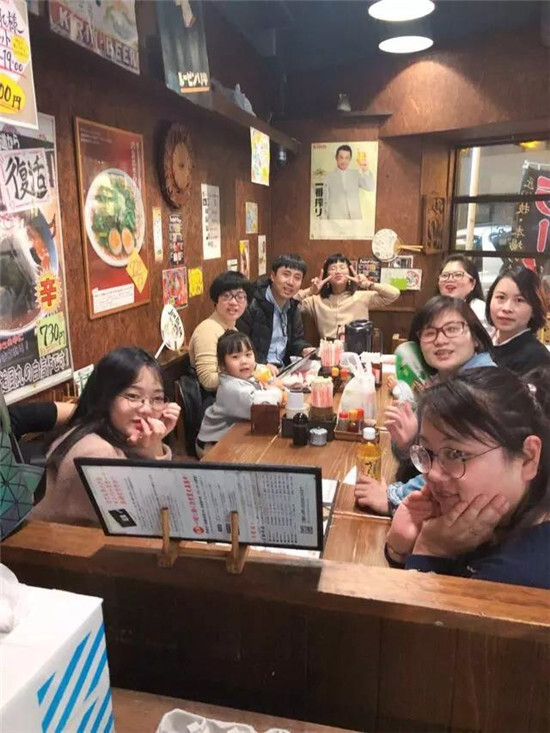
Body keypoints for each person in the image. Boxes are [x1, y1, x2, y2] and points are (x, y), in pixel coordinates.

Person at [384, 367, 550, 590]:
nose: (433, 474)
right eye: (428, 452)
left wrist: (430, 551)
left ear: (528, 458)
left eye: (455, 454)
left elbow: (412, 612)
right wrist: (400, 549)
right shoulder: (487, 521)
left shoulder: (515, 578)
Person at [355, 296, 495, 515]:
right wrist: (410, 442)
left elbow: (455, 472)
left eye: (452, 329)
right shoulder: (442, 381)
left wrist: (393, 498)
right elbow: (429, 456)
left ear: (476, 337)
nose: (440, 340)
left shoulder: (481, 389)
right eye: (430, 333)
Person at [32, 347, 180, 526]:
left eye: (157, 398)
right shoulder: (99, 453)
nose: (147, 409)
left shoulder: (109, 435)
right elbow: (149, 517)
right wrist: (149, 449)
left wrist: (154, 443)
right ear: (106, 397)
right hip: (55, 542)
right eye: (133, 396)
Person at [196, 331, 282, 457]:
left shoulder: (244, 377)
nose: (244, 361)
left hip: (233, 435)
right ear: (222, 366)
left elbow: (263, 385)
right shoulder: (231, 388)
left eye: (248, 354)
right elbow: (263, 405)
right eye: (235, 357)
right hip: (212, 444)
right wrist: (276, 390)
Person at [237, 254, 314, 377]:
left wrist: (304, 349)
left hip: (283, 371)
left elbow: (296, 340)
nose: (290, 282)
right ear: (273, 276)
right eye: (286, 274)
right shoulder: (251, 305)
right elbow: (240, 344)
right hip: (255, 372)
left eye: (297, 278)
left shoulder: (293, 307)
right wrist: (262, 364)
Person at [295, 253, 400, 339]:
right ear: (326, 275)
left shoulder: (362, 297)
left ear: (349, 273)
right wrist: (311, 291)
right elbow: (290, 302)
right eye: (333, 268)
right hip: (329, 353)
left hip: (357, 352)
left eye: (342, 267)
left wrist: (369, 284)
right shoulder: (315, 301)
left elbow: (394, 294)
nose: (338, 272)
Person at [189, 271, 252, 392]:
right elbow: (208, 381)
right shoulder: (207, 330)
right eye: (226, 296)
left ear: (247, 302)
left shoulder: (232, 329)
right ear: (215, 300)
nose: (233, 302)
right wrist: (249, 372)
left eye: (240, 297)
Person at [487, 266, 550, 376]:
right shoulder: (485, 345)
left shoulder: (537, 359)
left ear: (534, 308)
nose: (507, 308)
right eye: (501, 297)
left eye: (519, 300)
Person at [437, 254, 488, 329]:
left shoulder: (480, 310)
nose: (450, 279)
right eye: (445, 275)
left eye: (458, 275)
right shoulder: (433, 310)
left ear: (472, 284)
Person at [323, 145, 374, 220]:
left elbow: (370, 187)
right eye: (341, 157)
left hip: (355, 219)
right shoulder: (328, 177)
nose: (344, 161)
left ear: (350, 159)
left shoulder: (356, 174)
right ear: (336, 158)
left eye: (347, 158)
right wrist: (324, 222)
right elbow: (324, 201)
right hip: (336, 221)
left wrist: (365, 170)